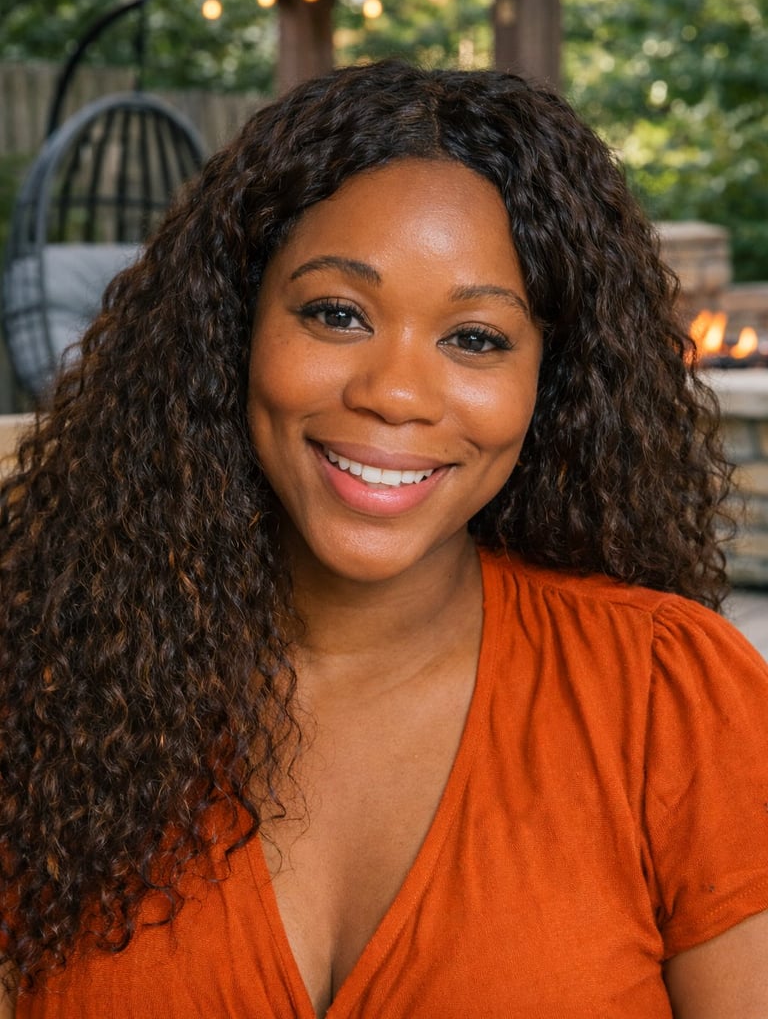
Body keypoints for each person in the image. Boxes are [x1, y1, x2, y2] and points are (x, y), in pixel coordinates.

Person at [1, 58, 767, 1019]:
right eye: (336, 313)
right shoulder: (51, 683)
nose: (395, 392)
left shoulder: (671, 697)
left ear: (551, 384)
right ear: (235, 329)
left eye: (476, 338)